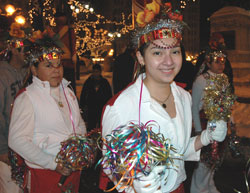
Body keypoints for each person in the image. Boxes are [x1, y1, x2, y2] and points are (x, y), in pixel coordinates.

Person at [99, 1, 228, 193]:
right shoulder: (120, 106)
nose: (168, 61)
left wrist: (205, 137)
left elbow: (179, 151)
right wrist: (135, 183)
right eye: (157, 52)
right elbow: (110, 166)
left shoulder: (184, 97)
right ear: (141, 58)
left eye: (174, 51)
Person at [8, 29, 86, 193]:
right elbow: (17, 140)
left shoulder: (68, 91)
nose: (56, 70)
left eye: (58, 65)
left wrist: (80, 151)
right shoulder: (28, 98)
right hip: (46, 174)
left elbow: (79, 124)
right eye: (48, 66)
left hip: (73, 171)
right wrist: (53, 163)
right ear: (35, 70)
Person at [190, 49, 229, 193]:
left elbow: (226, 102)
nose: (221, 65)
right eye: (217, 62)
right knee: (204, 161)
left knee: (215, 159)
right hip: (205, 122)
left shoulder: (224, 78)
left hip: (220, 122)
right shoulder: (202, 79)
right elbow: (195, 106)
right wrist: (199, 129)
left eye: (223, 62)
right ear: (208, 63)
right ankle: (198, 189)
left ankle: (209, 185)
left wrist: (230, 120)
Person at [0, 20, 28, 193]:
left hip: (23, 145)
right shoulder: (3, 75)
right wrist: (2, 148)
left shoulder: (27, 72)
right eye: (23, 49)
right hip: (6, 147)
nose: (26, 53)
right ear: (13, 49)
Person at [79, 63, 112, 131]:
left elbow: (109, 95)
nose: (95, 74)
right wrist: (82, 106)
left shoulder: (104, 82)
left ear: (100, 72)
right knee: (91, 127)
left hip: (101, 108)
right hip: (91, 108)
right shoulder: (88, 82)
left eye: (97, 72)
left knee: (101, 126)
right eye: (94, 72)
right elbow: (83, 94)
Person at [54, 12, 77, 93]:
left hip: (64, 62)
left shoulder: (69, 31)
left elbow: (72, 42)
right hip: (62, 62)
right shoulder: (68, 30)